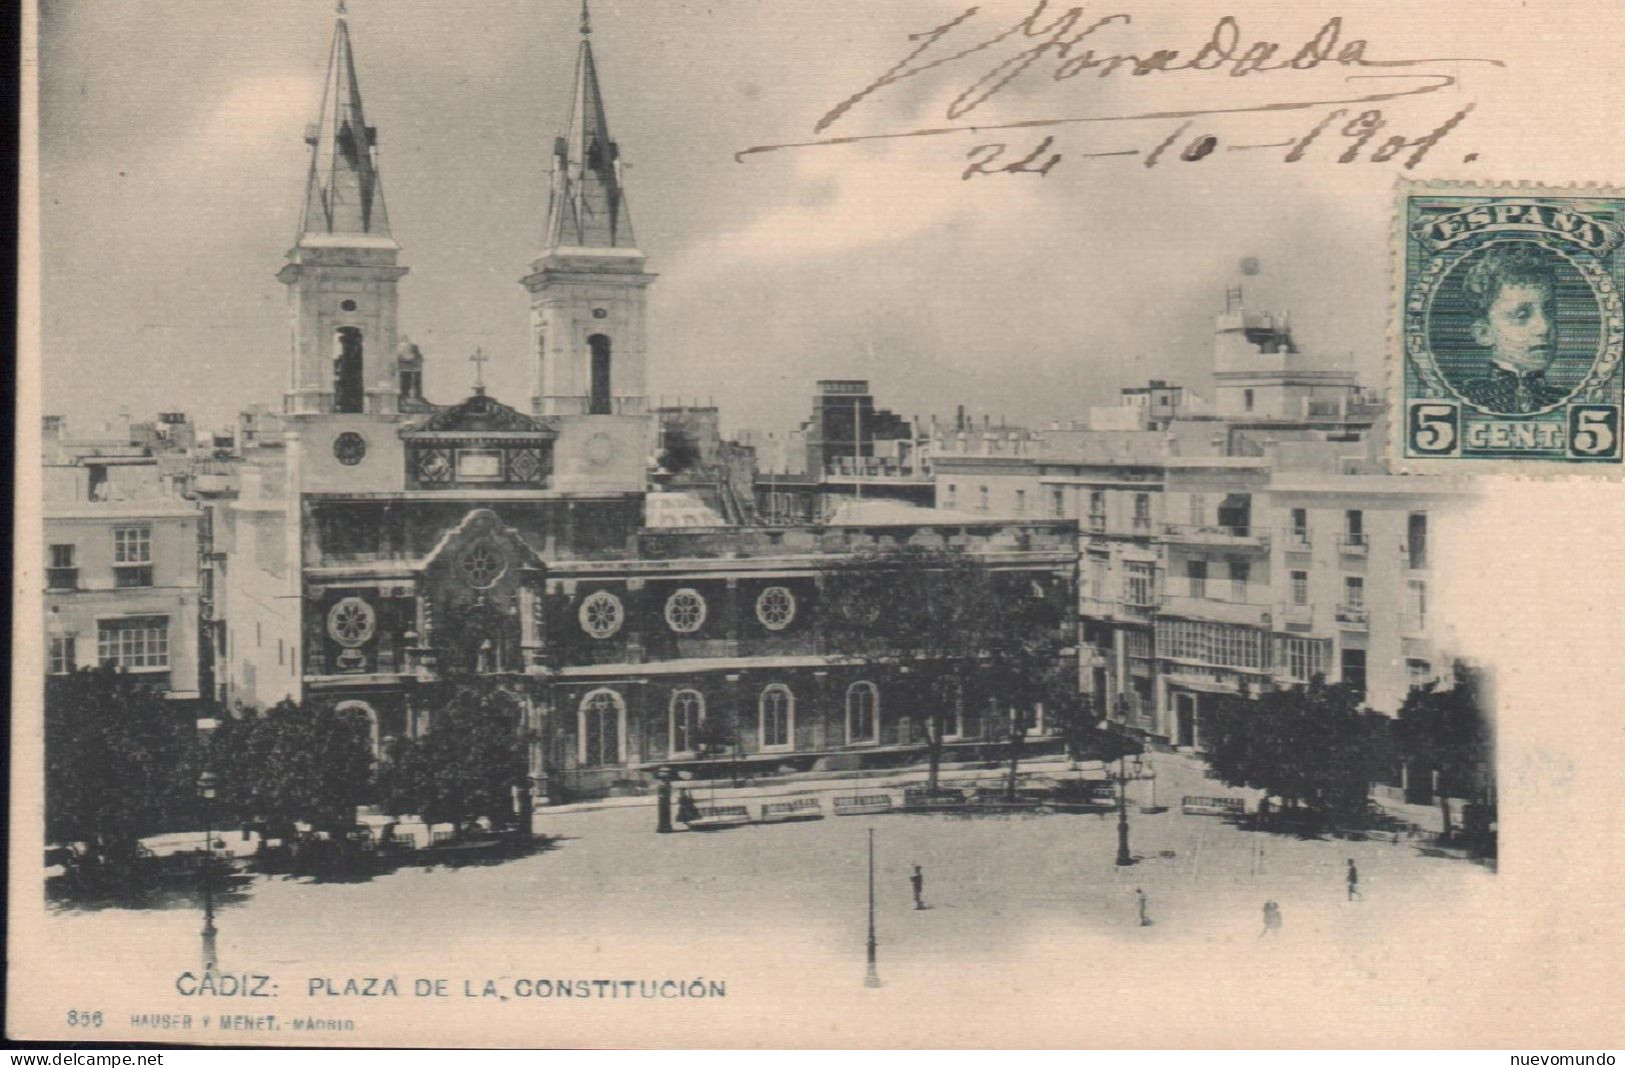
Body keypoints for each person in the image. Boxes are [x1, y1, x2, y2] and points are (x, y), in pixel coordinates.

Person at [1454, 243, 1571, 414]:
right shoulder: (1466, 398)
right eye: (1521, 315)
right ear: (1484, 333)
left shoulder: (1565, 400)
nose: (1544, 327)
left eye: (1549, 311)